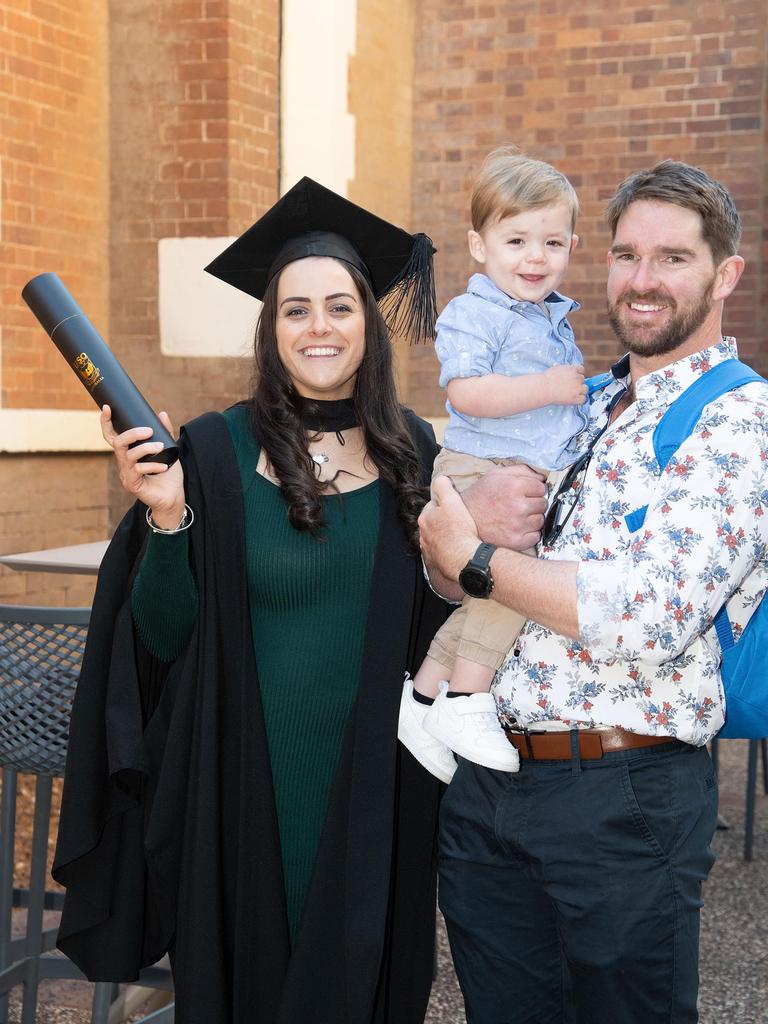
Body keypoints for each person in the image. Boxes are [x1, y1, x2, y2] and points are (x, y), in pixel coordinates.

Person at [52, 177, 451, 1024]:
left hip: (378, 786)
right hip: (239, 783)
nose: (318, 328)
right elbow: (161, 638)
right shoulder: (210, 451)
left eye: (339, 307)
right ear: (271, 329)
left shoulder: (416, 454)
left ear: (367, 326)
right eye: (295, 309)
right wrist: (164, 520)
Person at [418, 160, 768, 1023]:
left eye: (673, 259)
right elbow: (447, 568)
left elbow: (647, 617)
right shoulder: (582, 399)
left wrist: (476, 557)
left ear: (725, 275)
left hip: (624, 797)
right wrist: (461, 539)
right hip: (488, 783)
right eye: (625, 256)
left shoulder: (739, 419)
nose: (642, 281)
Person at [398, 149, 589, 781]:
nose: (536, 256)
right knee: (511, 581)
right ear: (479, 247)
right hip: (481, 464)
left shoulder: (550, 316)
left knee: (492, 591)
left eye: (553, 241)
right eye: (517, 240)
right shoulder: (475, 313)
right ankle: (468, 698)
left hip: (521, 467)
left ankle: (423, 695)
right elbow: (466, 393)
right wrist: (550, 388)